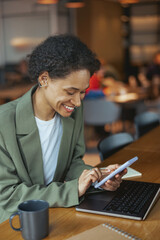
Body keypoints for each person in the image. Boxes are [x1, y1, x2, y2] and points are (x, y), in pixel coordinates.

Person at [0, 34, 126, 223]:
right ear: (44, 79)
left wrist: (98, 179)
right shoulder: (4, 122)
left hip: (55, 214)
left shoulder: (72, 112)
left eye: (82, 92)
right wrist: (72, 190)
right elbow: (8, 195)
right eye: (70, 92)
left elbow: (72, 163)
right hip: (17, 222)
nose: (76, 102)